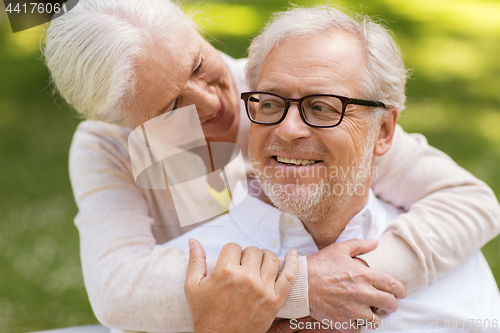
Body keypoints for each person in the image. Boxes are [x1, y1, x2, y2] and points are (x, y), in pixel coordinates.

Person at [42, 0, 500, 332]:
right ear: (124, 124)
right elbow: (119, 292)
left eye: (200, 64)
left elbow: (470, 201)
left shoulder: (280, 91)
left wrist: (362, 284)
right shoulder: (110, 146)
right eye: (172, 106)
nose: (214, 101)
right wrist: (301, 289)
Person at [177, 6, 500, 332]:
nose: (288, 130)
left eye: (321, 107)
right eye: (271, 103)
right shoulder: (191, 268)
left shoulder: (449, 259)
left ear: (384, 130)